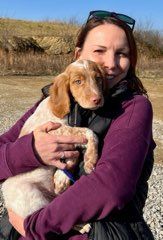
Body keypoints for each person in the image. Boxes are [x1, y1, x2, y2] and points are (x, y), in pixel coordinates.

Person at [0, 10, 156, 240]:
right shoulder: (53, 100)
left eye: (122, 53)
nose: (111, 64)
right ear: (78, 54)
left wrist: (35, 226)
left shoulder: (133, 108)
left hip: (93, 233)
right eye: (99, 51)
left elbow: (112, 186)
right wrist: (33, 150)